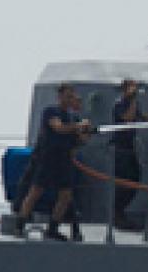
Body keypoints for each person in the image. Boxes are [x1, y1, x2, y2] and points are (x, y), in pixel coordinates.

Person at [15, 83, 93, 241]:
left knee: (65, 196)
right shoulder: (51, 112)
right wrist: (78, 126)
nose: (69, 99)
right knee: (36, 191)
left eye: (71, 96)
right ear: (60, 96)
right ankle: (20, 224)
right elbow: (59, 128)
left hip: (64, 160)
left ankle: (53, 228)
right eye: (67, 96)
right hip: (47, 159)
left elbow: (80, 140)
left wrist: (86, 131)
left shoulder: (73, 118)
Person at [108, 79, 148, 229]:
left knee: (135, 179)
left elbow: (140, 118)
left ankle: (120, 212)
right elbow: (127, 117)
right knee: (123, 181)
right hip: (120, 148)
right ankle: (117, 214)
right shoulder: (119, 104)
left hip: (129, 147)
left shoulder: (133, 104)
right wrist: (132, 99)